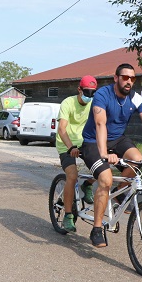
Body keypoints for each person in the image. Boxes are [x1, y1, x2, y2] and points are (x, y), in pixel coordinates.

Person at [81, 63, 142, 247]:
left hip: (117, 140)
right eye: (125, 77)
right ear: (116, 78)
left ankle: (118, 192)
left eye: (132, 78)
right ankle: (97, 228)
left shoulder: (135, 98)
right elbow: (100, 124)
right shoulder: (102, 95)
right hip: (93, 141)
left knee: (137, 159)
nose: (129, 81)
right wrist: (103, 154)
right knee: (106, 179)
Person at [55, 75, 98, 232]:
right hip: (66, 144)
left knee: (103, 167)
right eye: (87, 92)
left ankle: (87, 185)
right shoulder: (68, 103)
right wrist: (70, 147)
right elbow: (62, 129)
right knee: (72, 176)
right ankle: (67, 215)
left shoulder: (93, 103)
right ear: (79, 89)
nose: (90, 96)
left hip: (85, 142)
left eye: (93, 93)